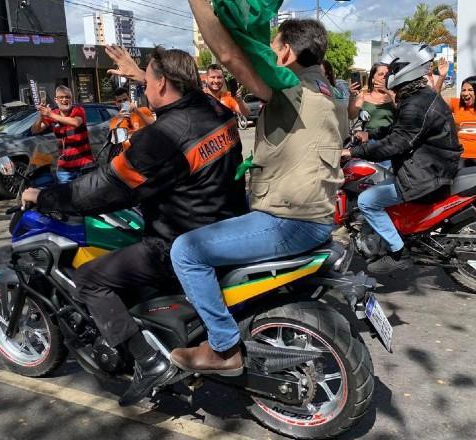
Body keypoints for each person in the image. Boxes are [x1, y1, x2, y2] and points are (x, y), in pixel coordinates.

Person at [22, 46, 246, 405]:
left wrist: (43, 197)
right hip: (224, 227)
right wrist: (141, 73)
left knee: (90, 279)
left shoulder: (160, 138)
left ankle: (149, 361)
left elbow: (100, 190)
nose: (143, 89)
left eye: (148, 80)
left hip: (178, 239)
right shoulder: (215, 109)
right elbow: (183, 94)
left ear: (162, 83)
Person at [168, 6, 345, 375]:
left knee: (186, 251)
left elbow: (230, 55)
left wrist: (199, 4)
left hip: (288, 221)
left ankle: (222, 346)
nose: (266, 51)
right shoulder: (330, 91)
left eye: (272, 46)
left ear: (285, 55)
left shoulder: (292, 89)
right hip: (313, 217)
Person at [344, 43, 462, 273]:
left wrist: (354, 152)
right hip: (430, 166)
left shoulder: (417, 102)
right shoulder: (418, 96)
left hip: (427, 173)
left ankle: (398, 252)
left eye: (392, 69)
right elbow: (401, 132)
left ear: (407, 69)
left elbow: (398, 143)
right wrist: (372, 134)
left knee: (367, 201)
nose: (388, 75)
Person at [31, 85, 94, 183]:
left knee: (86, 196)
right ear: (56, 100)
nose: (65, 100)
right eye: (61, 97)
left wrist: (50, 114)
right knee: (66, 196)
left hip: (84, 165)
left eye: (68, 97)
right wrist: (41, 115)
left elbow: (75, 122)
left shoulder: (78, 110)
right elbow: (35, 130)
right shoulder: (53, 114)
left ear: (71, 99)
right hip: (65, 169)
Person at [348, 63, 396, 142]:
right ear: (372, 79)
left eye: (387, 74)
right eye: (381, 74)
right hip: (368, 140)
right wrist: (352, 96)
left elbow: (402, 112)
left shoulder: (393, 94)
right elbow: (351, 116)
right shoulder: (363, 95)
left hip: (389, 139)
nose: (384, 76)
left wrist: (388, 91)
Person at [447, 76, 476, 161]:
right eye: (463, 90)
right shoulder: (456, 104)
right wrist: (442, 77)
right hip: (460, 157)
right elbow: (434, 101)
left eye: (470, 90)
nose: (465, 93)